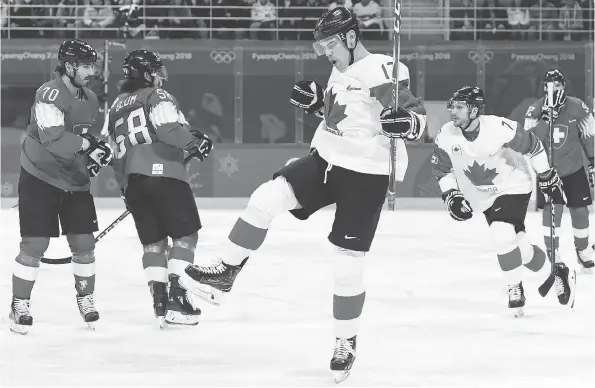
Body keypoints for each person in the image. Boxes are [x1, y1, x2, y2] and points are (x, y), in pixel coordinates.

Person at [178, 6, 426, 383]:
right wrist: (315, 105)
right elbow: (343, 117)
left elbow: (418, 118)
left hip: (366, 174)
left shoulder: (382, 68)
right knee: (266, 196)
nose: (326, 51)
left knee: (347, 264)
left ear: (350, 37)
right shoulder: (338, 69)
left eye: (330, 44)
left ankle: (345, 341)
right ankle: (226, 271)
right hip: (325, 159)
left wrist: (407, 123)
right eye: (322, 45)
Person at [432, 86, 576, 318]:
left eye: (459, 107)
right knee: (520, 247)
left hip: (514, 184)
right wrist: (451, 195)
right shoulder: (446, 134)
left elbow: (534, 146)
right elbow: (441, 169)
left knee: (501, 234)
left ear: (475, 110)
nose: (453, 112)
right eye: (453, 107)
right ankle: (557, 270)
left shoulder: (499, 128)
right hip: (484, 196)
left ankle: (515, 287)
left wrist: (547, 175)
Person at [10, 39, 113, 334]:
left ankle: (86, 298)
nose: (92, 71)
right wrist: (88, 147)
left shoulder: (91, 98)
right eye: (86, 66)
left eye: (93, 65)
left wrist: (91, 156)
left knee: (84, 244)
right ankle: (19, 304)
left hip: (73, 179)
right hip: (40, 175)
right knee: (35, 244)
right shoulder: (49, 92)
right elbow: (53, 138)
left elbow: (82, 139)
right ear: (68, 67)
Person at [103, 50, 213, 328]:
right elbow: (166, 129)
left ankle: (160, 301)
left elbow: (115, 154)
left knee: (153, 243)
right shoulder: (156, 96)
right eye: (155, 71)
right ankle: (178, 299)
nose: (159, 76)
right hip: (165, 173)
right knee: (185, 235)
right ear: (145, 73)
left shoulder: (115, 106)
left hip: (133, 181)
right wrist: (194, 143)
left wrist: (125, 188)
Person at [524, 69, 594, 273]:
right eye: (550, 85)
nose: (554, 89)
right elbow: (529, 143)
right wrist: (546, 119)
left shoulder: (577, 106)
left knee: (580, 211)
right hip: (548, 173)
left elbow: (588, 135)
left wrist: (593, 161)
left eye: (558, 85)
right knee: (552, 212)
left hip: (574, 169)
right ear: (544, 88)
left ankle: (581, 252)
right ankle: (552, 252)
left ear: (564, 86)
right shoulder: (535, 109)